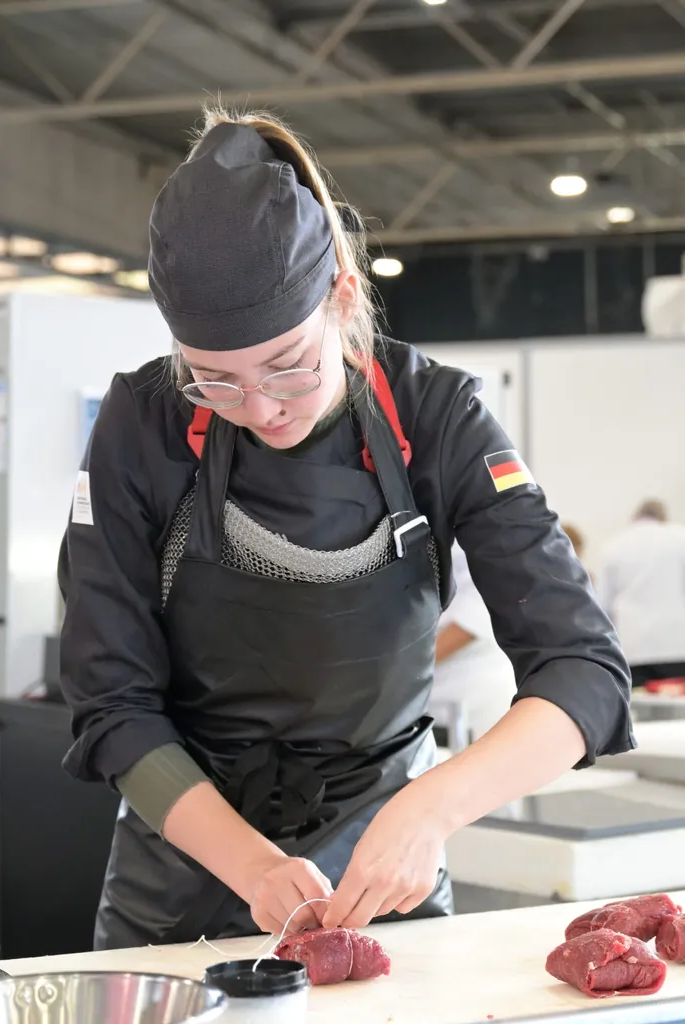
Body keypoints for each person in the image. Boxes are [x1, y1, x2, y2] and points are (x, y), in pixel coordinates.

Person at [58, 107, 634, 952]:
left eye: (288, 366)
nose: (260, 409)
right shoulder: (140, 424)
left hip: (383, 867)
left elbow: (583, 672)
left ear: (342, 296)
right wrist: (253, 865)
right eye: (213, 380)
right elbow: (111, 702)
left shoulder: (439, 416)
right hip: (184, 873)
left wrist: (429, 809)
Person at [429, 544, 516, 748]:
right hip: (425, 701)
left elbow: (473, 617)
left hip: (468, 703)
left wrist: (393, 674)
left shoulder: (491, 538)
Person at [595, 500, 685, 688]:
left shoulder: (614, 546)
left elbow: (602, 606)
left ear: (634, 517)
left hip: (633, 648)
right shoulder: (680, 538)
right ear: (663, 517)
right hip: (677, 645)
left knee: (638, 703)